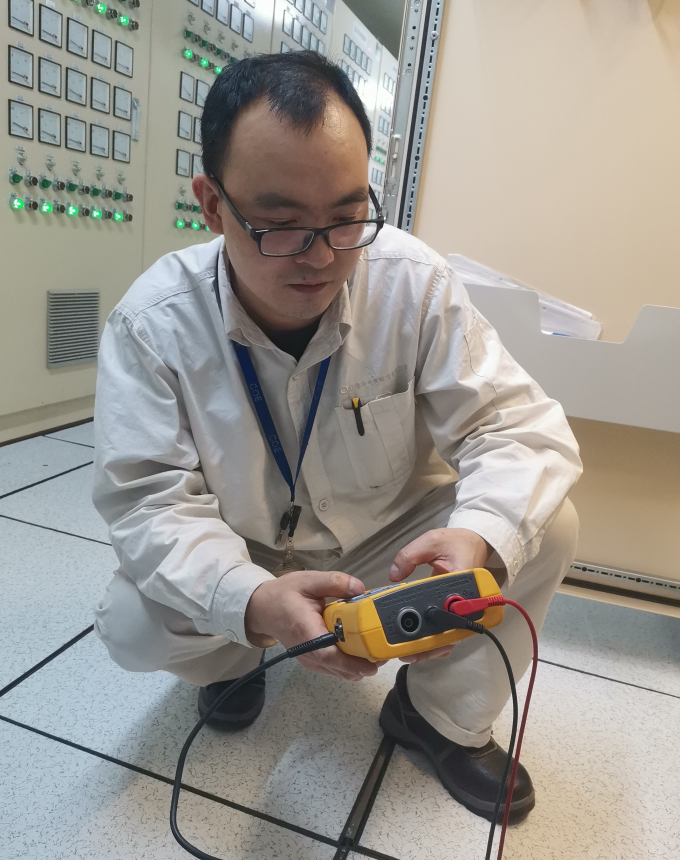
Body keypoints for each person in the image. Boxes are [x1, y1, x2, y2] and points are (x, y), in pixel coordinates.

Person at [92, 52, 581, 824]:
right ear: (212, 205)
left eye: (347, 216)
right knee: (133, 622)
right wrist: (251, 600)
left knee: (543, 522)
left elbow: (515, 427)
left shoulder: (413, 284)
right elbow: (148, 502)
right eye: (281, 224)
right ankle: (240, 652)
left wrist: (477, 539)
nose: (322, 256)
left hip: (379, 547)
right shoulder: (152, 326)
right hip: (244, 551)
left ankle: (436, 717)